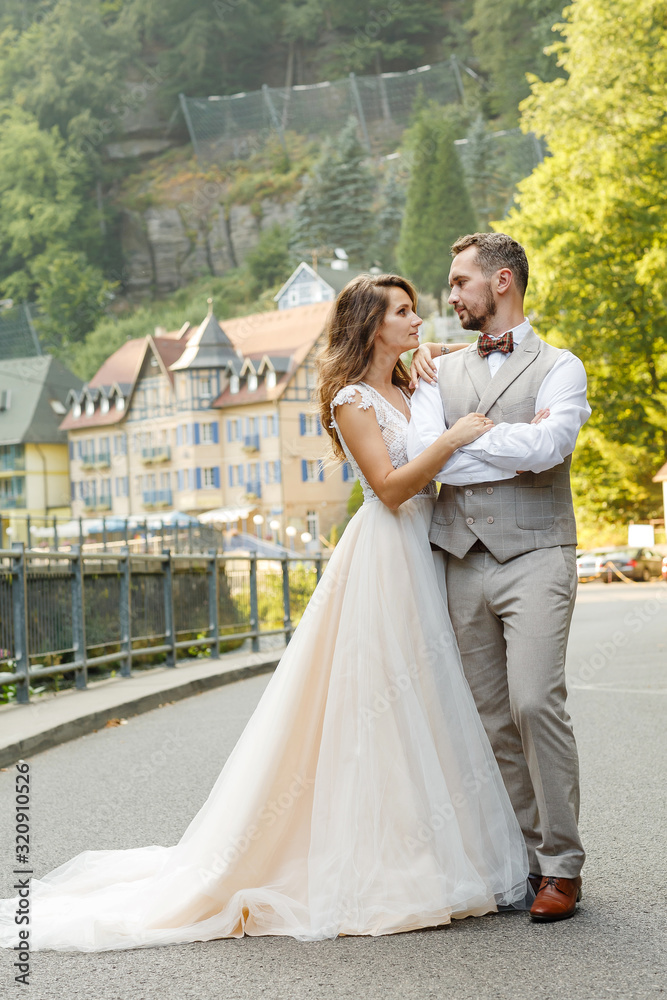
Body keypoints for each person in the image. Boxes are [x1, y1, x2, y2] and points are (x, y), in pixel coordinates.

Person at [0, 273, 529, 953]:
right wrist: (452, 439)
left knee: (432, 700)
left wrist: (430, 382)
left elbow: (458, 375)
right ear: (371, 324)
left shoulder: (412, 381)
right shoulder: (350, 400)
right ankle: (385, 860)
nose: (418, 321)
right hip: (387, 553)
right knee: (380, 702)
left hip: (431, 551)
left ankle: (442, 850)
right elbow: (391, 488)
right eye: (403, 312)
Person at [407, 232, 591, 922]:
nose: (449, 296)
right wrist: (501, 449)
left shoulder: (559, 366)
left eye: (459, 282)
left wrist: (466, 442)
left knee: (533, 702)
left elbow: (552, 447)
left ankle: (564, 865)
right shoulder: (436, 372)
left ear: (502, 282)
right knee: (486, 717)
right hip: (457, 556)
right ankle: (526, 858)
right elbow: (429, 461)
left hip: (537, 554)